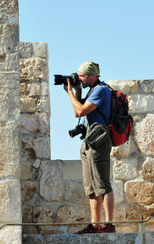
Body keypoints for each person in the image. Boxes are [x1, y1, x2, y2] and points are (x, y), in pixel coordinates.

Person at [64, 61, 115, 234]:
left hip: (99, 141)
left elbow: (79, 112)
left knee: (103, 184)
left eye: (82, 76)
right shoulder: (92, 91)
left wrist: (70, 92)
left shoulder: (101, 90)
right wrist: (76, 91)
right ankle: (95, 225)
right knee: (92, 188)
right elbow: (78, 109)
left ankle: (109, 225)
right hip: (89, 141)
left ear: (92, 76)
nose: (79, 79)